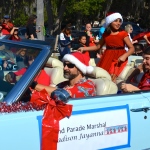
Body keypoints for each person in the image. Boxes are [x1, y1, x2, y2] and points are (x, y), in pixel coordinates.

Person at [78, 12, 134, 82]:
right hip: (107, 57)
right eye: (116, 21)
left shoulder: (123, 34)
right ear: (110, 22)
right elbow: (97, 46)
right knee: (102, 76)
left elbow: (132, 48)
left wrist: (124, 56)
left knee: (112, 77)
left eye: (120, 21)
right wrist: (84, 48)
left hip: (119, 57)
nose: (118, 23)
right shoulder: (106, 34)